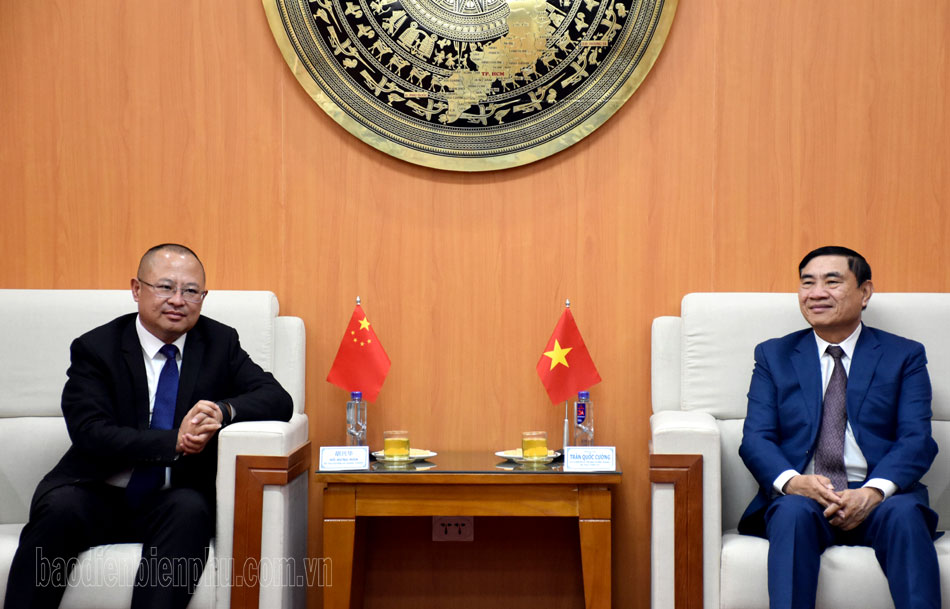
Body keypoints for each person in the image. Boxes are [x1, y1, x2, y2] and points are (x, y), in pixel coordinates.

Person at [4, 244, 293, 609]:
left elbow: (278, 399)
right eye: (165, 287)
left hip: (172, 499)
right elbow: (90, 431)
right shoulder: (97, 348)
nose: (177, 300)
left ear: (204, 297)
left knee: (190, 509)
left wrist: (224, 411)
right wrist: (175, 441)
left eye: (191, 291)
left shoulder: (220, 342)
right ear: (137, 289)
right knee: (59, 510)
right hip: (96, 491)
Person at [738, 246, 940, 609]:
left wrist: (874, 492)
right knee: (791, 512)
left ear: (865, 292)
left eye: (832, 282)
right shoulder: (773, 355)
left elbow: (917, 440)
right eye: (807, 283)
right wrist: (793, 482)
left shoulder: (904, 355)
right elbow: (756, 439)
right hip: (805, 494)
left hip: (880, 497)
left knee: (905, 514)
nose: (816, 293)